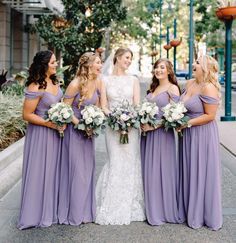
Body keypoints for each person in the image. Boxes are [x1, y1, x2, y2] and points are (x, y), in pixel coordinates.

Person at [95, 47, 146, 225]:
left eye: (130, 59)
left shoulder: (133, 80)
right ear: (117, 57)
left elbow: (137, 105)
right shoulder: (105, 80)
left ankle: (130, 203)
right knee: (115, 161)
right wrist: (115, 118)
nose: (129, 61)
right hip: (112, 127)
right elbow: (103, 105)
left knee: (130, 161)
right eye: (126, 57)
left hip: (130, 128)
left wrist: (129, 120)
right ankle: (111, 203)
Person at [18, 50, 65, 229]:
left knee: (52, 171)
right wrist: (49, 124)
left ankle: (49, 210)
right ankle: (33, 214)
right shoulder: (35, 86)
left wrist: (63, 117)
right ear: (44, 64)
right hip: (40, 134)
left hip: (55, 133)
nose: (56, 64)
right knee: (39, 171)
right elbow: (27, 114)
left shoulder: (55, 81)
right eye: (53, 62)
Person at [178, 55, 222, 230]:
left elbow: (210, 116)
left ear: (205, 68)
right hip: (187, 134)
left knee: (201, 170)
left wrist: (186, 123)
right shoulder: (190, 83)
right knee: (189, 169)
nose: (193, 64)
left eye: (197, 63)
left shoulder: (208, 87)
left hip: (202, 133)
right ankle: (189, 209)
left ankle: (202, 213)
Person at [58, 52, 102, 225]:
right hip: (74, 132)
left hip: (88, 134)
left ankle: (85, 212)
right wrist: (80, 125)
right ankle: (74, 213)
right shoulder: (75, 84)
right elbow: (65, 109)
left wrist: (93, 125)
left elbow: (97, 106)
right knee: (77, 172)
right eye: (98, 62)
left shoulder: (97, 82)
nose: (100, 65)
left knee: (87, 171)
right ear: (89, 65)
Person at [140, 58, 184, 225]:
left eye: (162, 67)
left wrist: (155, 126)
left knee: (163, 170)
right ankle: (152, 207)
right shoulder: (154, 87)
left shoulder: (172, 89)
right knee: (149, 170)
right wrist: (142, 122)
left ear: (169, 71)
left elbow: (175, 115)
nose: (158, 70)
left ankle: (164, 210)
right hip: (147, 135)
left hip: (163, 135)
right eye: (156, 67)